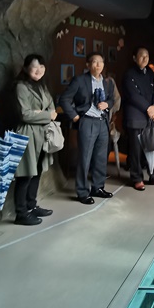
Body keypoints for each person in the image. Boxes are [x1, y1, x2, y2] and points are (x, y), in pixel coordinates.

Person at [60, 52, 120, 205]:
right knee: (85, 158)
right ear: (88, 65)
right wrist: (74, 116)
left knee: (101, 158)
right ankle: (82, 191)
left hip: (102, 122)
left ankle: (98, 187)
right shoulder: (80, 80)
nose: (98, 65)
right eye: (94, 62)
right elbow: (64, 99)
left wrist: (107, 104)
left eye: (100, 62)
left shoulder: (108, 82)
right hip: (87, 121)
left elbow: (112, 99)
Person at [12, 54, 58, 226]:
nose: (39, 70)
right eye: (34, 67)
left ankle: (31, 206)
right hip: (27, 134)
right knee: (25, 174)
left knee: (37, 171)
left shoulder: (42, 86)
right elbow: (25, 114)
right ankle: (21, 212)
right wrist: (46, 114)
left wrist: (41, 114)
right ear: (25, 68)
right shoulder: (21, 87)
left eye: (42, 67)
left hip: (42, 132)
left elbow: (52, 108)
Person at [123, 47, 154, 190]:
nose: (145, 58)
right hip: (136, 116)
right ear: (134, 58)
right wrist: (148, 108)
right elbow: (133, 95)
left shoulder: (150, 73)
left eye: (147, 56)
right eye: (141, 56)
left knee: (153, 147)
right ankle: (137, 178)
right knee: (136, 151)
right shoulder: (128, 74)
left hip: (150, 116)